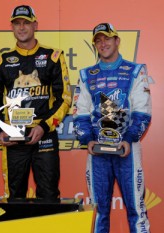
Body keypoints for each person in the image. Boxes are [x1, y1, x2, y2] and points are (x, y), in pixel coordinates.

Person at [0, 5, 71, 202]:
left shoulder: (53, 56)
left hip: (45, 134)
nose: (22, 28)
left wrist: (43, 126)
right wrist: (0, 131)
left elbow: (64, 98)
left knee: (48, 196)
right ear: (12, 27)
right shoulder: (2, 61)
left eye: (26, 23)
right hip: (14, 136)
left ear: (35, 25)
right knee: (15, 198)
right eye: (17, 24)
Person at [73, 23, 152, 233]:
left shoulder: (135, 71)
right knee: (98, 210)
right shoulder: (86, 75)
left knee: (136, 208)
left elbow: (142, 111)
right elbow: (80, 113)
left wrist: (128, 138)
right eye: (98, 40)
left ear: (117, 40)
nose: (103, 43)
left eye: (107, 38)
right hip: (97, 152)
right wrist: (87, 140)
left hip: (127, 150)